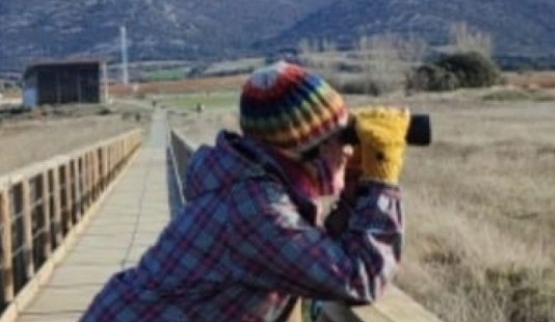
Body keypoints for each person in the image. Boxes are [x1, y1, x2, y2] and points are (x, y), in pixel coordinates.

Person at [82, 61, 409, 321]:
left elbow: (324, 255)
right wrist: (381, 181)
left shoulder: (250, 189)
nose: (349, 150)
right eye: (341, 140)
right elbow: (359, 277)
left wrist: (356, 184)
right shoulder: (255, 210)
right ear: (303, 149)